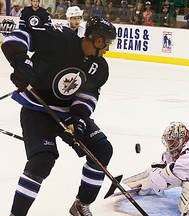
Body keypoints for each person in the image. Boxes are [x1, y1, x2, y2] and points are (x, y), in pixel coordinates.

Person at [1, 16, 116, 216]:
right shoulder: (60, 38)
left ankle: (81, 205)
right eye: (106, 42)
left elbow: (86, 97)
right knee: (42, 161)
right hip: (37, 109)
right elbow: (15, 39)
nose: (107, 48)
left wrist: (77, 121)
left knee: (102, 150)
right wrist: (21, 63)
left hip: (66, 114)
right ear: (97, 40)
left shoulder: (100, 68)